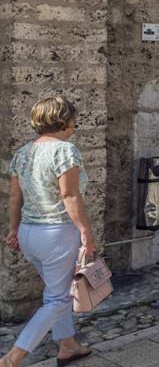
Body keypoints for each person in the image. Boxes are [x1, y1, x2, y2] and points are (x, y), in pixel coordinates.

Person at [3, 97, 94, 367]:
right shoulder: (65, 151)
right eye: (74, 118)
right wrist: (86, 231)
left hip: (29, 234)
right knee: (56, 298)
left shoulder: (22, 153)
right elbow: (69, 195)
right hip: (57, 233)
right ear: (65, 120)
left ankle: (68, 345)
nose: (76, 123)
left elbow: (13, 198)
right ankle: (12, 358)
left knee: (58, 292)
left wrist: (13, 228)